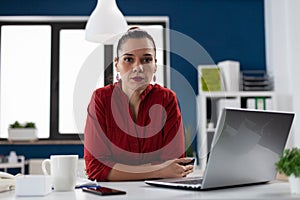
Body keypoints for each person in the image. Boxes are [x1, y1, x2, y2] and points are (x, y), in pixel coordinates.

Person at [84, 27, 194, 181]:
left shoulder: (167, 99)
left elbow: (173, 164)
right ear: (116, 64)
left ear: (155, 65)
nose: (138, 67)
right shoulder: (101, 99)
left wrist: (117, 169)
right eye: (129, 59)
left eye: (146, 59)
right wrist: (159, 171)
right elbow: (96, 168)